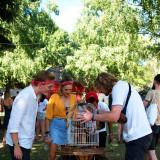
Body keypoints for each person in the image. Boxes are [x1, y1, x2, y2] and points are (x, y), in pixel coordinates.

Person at [77, 72, 153, 160]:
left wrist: (92, 116)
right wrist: (96, 111)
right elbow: (119, 116)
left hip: (137, 137)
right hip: (144, 134)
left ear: (103, 83)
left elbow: (114, 117)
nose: (100, 91)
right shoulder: (123, 86)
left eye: (99, 88)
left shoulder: (118, 88)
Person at [6, 70, 55, 160]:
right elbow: (13, 125)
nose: (51, 89)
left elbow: (29, 119)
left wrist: (31, 136)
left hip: (25, 142)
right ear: (40, 85)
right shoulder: (24, 97)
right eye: (50, 86)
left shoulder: (35, 95)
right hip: (19, 143)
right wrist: (16, 147)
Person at [45, 77, 77, 160]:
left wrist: (75, 129)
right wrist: (48, 134)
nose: (68, 92)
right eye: (66, 89)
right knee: (52, 154)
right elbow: (48, 117)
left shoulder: (73, 97)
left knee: (66, 155)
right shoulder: (54, 97)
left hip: (69, 127)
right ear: (61, 88)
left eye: (70, 89)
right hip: (56, 127)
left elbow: (75, 115)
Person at [143, 74, 160, 160]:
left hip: (151, 125)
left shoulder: (152, 92)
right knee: (149, 149)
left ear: (155, 81)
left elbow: (143, 106)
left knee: (152, 153)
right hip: (159, 126)